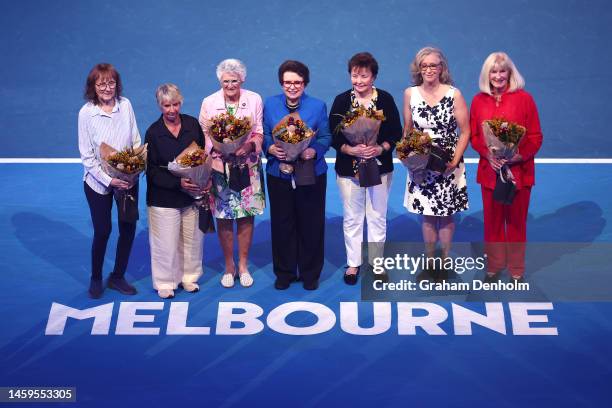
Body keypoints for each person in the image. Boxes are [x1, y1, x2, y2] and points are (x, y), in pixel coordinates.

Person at [329, 52, 402, 285]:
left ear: (374, 77)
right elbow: (333, 134)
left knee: (377, 216)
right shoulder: (342, 101)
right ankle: (353, 264)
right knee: (352, 217)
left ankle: (377, 263)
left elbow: (396, 133)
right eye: (355, 75)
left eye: (364, 76)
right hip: (348, 169)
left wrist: (380, 149)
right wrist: (350, 150)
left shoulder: (385, 100)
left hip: (379, 167)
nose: (359, 81)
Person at [470, 52, 543, 283]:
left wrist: (518, 156)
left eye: (503, 71)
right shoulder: (478, 100)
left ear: (510, 73)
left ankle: (516, 269)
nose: (498, 76)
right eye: (494, 71)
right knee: (492, 223)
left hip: (518, 173)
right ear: (487, 74)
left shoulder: (525, 99)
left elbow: (535, 136)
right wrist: (487, 155)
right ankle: (494, 266)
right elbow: (474, 136)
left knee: (515, 223)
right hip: (490, 173)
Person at [263, 60, 331, 290]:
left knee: (311, 223)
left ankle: (310, 274)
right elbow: (263, 134)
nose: (292, 87)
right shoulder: (270, 105)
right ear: (281, 83)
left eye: (297, 82)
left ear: (305, 83)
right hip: (278, 173)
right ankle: (285, 272)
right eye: (287, 82)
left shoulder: (318, 106)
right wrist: (270, 148)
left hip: (310, 172)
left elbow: (325, 137)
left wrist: (314, 150)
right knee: (282, 224)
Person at [402, 47, 470, 278]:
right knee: (428, 214)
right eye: (424, 66)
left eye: (433, 65)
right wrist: (408, 157)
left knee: (446, 214)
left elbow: (465, 131)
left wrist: (454, 160)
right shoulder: (410, 94)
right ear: (418, 69)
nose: (429, 69)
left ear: (442, 68)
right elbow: (408, 130)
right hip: (422, 164)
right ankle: (431, 262)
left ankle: (445, 261)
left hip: (448, 163)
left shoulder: (454, 94)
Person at [199, 59, 265, 288]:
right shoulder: (209, 102)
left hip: (247, 165)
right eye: (226, 81)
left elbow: (258, 132)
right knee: (224, 216)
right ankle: (229, 266)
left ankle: (244, 265)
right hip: (219, 167)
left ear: (242, 80)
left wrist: (246, 146)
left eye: (234, 80)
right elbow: (205, 135)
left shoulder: (254, 99)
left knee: (246, 215)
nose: (230, 85)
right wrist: (219, 148)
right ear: (220, 81)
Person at [78, 63, 140, 299]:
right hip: (98, 183)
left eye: (111, 82)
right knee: (103, 231)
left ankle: (117, 276)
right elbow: (87, 157)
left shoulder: (126, 105)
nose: (107, 88)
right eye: (101, 83)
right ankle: (96, 277)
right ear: (93, 87)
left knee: (128, 228)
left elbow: (135, 139)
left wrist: (133, 170)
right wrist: (109, 180)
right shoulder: (86, 113)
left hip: (128, 179)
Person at [145, 84, 206, 299]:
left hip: (191, 195)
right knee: (165, 243)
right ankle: (164, 282)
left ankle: (189, 278)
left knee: (192, 240)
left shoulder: (192, 124)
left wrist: (202, 180)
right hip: (164, 197)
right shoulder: (153, 132)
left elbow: (201, 157)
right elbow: (151, 171)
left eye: (175, 104)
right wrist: (177, 184)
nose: (172, 110)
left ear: (181, 102)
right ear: (160, 105)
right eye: (166, 105)